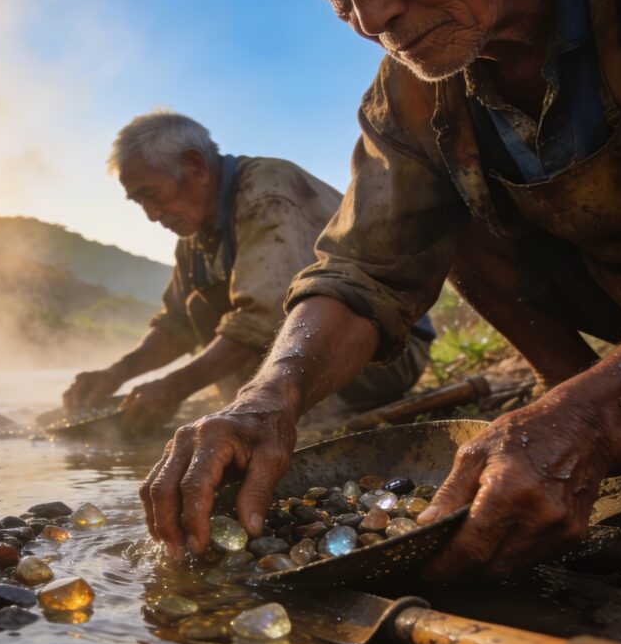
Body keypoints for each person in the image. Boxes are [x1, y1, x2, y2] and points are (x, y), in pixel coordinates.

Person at [140, 0, 621, 579]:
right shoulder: (412, 93)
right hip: (606, 290)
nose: (368, 17)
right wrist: (268, 400)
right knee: (440, 214)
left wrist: (592, 419)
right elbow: (364, 269)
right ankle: (572, 385)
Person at [62, 111, 435, 430]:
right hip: (308, 359)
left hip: (388, 353)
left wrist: (174, 388)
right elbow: (175, 324)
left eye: (152, 194)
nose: (150, 213)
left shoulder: (267, 193)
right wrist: (115, 374)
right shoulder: (194, 236)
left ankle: (298, 417)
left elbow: (263, 315)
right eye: (138, 200)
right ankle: (268, 406)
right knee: (197, 306)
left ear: (195, 166)